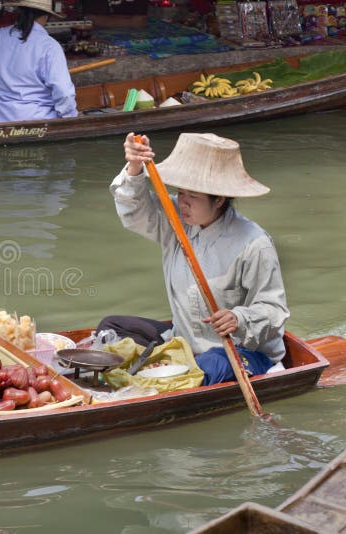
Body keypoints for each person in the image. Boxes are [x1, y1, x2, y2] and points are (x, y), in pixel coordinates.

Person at [98, 132, 290, 385]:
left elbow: (274, 309)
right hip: (185, 340)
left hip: (241, 350)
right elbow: (135, 210)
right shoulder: (175, 219)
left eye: (193, 196)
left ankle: (175, 376)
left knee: (209, 365)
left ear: (219, 199)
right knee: (111, 327)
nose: (183, 203)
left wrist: (238, 318)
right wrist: (135, 167)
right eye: (180, 193)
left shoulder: (254, 243)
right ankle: (168, 367)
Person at [0, 0, 77, 123]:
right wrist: (70, 118)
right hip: (36, 122)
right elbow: (64, 92)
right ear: (47, 16)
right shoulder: (49, 46)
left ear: (19, 11)